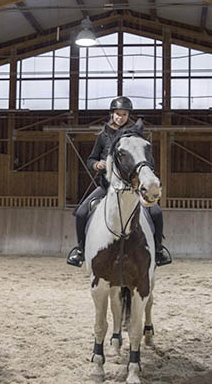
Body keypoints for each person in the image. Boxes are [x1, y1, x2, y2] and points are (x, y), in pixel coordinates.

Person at [66, 96, 172, 267]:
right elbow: (90, 159)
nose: (120, 117)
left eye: (124, 114)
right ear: (112, 114)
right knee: (81, 213)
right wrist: (96, 164)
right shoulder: (103, 136)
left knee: (156, 213)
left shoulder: (134, 135)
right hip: (107, 187)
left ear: (128, 115)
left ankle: (159, 250)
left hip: (131, 188)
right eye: (117, 114)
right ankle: (80, 250)